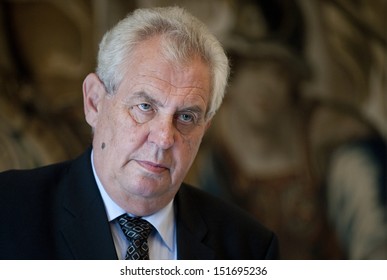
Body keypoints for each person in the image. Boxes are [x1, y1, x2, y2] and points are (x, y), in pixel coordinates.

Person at [0, 6, 278, 260]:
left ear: (204, 129)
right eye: (145, 106)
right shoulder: (9, 209)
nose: (163, 138)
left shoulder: (250, 248)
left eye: (185, 117)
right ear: (94, 102)